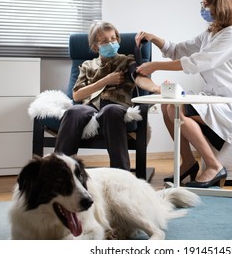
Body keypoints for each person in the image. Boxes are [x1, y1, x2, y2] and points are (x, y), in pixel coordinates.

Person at [135, 0, 232, 188]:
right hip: (214, 99)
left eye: (207, 4)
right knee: (167, 105)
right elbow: (180, 49)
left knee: (175, 108)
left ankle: (214, 166)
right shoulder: (210, 33)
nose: (203, 9)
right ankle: (188, 162)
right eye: (203, 4)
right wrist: (153, 38)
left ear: (220, 4)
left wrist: (154, 66)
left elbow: (196, 62)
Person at [55, 21, 160, 170]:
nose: (110, 43)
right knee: (73, 111)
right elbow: (77, 95)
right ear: (95, 47)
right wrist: (106, 81)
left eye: (113, 38)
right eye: (104, 41)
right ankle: (58, 170)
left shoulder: (127, 60)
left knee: (110, 110)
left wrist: (156, 88)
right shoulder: (87, 65)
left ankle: (121, 173)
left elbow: (139, 78)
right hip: (90, 105)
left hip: (116, 105)